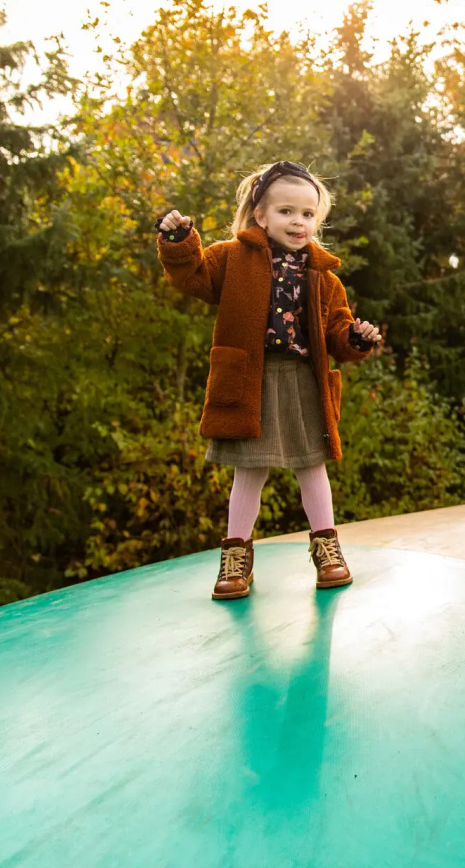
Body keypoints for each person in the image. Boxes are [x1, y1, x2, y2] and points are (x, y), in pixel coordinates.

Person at [156, 160, 382, 600]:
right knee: (249, 471)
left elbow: (338, 332)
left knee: (311, 466)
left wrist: (356, 337)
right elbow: (192, 276)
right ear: (260, 215)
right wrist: (179, 241)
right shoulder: (231, 258)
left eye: (308, 214)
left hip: (302, 381)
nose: (298, 222)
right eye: (286, 212)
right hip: (250, 380)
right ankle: (236, 559)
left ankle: (327, 550)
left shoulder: (326, 277)